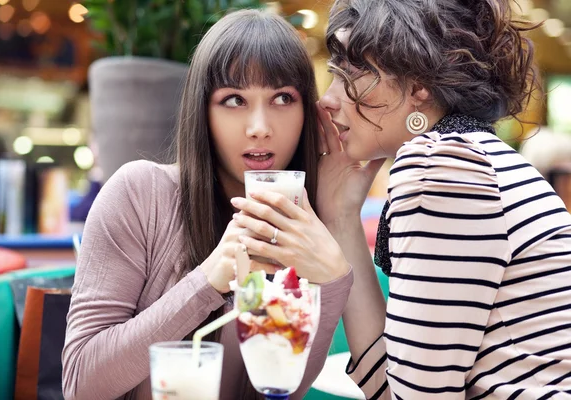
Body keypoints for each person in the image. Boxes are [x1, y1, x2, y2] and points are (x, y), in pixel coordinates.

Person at [233, 0, 571, 398]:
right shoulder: (468, 155)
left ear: (418, 86)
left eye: (352, 73)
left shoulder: (442, 166)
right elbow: (395, 387)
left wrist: (328, 260)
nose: (328, 98)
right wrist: (341, 214)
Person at [62, 9, 353, 400]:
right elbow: (82, 384)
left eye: (283, 97)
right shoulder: (140, 194)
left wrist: (333, 279)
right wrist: (208, 280)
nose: (260, 126)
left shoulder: (301, 227)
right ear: (203, 110)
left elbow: (278, 392)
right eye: (234, 100)